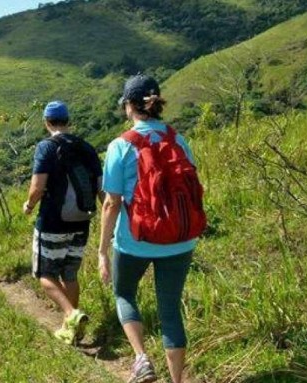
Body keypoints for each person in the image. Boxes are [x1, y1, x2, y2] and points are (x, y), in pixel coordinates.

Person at [99, 75, 204, 383]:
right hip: (180, 240)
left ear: (129, 106)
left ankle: (141, 358)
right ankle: (177, 380)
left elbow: (111, 203)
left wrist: (102, 250)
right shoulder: (178, 140)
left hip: (135, 241)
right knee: (170, 308)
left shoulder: (120, 146)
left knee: (125, 293)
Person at [23, 100, 102, 346]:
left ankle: (71, 314)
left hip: (53, 222)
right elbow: (101, 189)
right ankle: (72, 331)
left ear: (47, 122)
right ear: (68, 121)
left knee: (45, 273)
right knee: (70, 273)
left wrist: (28, 205)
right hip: (82, 221)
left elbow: (37, 187)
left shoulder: (46, 148)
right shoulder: (87, 148)